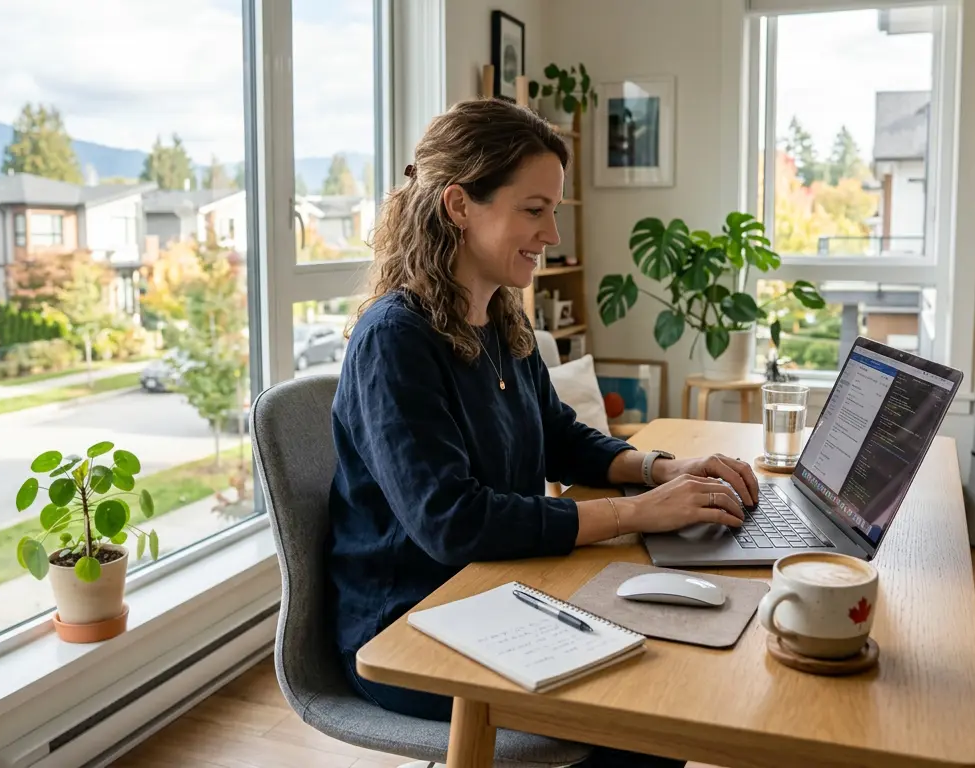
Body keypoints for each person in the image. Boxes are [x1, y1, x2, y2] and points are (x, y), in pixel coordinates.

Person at [325, 98, 759, 768]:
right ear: (459, 205)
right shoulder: (396, 338)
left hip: (497, 589)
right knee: (644, 707)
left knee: (673, 660)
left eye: (553, 210)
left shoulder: (497, 316)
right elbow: (452, 522)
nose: (552, 233)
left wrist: (659, 470)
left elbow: (559, 435)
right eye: (534, 209)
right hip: (409, 622)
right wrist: (636, 515)